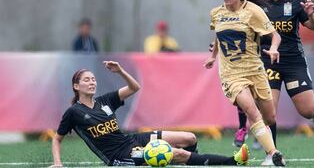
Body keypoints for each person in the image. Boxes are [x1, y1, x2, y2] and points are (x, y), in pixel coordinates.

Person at [50, 61, 250, 167]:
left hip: (131, 140)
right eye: (86, 80)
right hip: (119, 157)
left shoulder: (104, 101)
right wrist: (58, 163)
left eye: (93, 79)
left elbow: (135, 87)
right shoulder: (74, 112)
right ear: (76, 86)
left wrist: (120, 71)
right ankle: (233, 161)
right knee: (178, 153)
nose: (92, 82)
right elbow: (57, 139)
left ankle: (193, 163)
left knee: (189, 138)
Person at [204, 0, 285, 166]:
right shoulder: (216, 13)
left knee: (270, 117)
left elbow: (275, 36)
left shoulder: (253, 11)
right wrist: (213, 56)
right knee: (251, 112)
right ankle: (273, 154)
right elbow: (219, 36)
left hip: (255, 70)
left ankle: (269, 153)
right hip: (231, 75)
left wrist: (273, 49)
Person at [259, 0, 314, 155]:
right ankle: (272, 154)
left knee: (307, 111)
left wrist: (311, 15)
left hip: (293, 62)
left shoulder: (296, 2)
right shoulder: (260, 4)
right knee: (268, 113)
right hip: (268, 62)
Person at [233, 0, 268, 150]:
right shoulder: (234, 1)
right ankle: (241, 128)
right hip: (242, 54)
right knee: (241, 91)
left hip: (265, 53)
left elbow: (271, 28)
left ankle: (259, 130)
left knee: (259, 96)